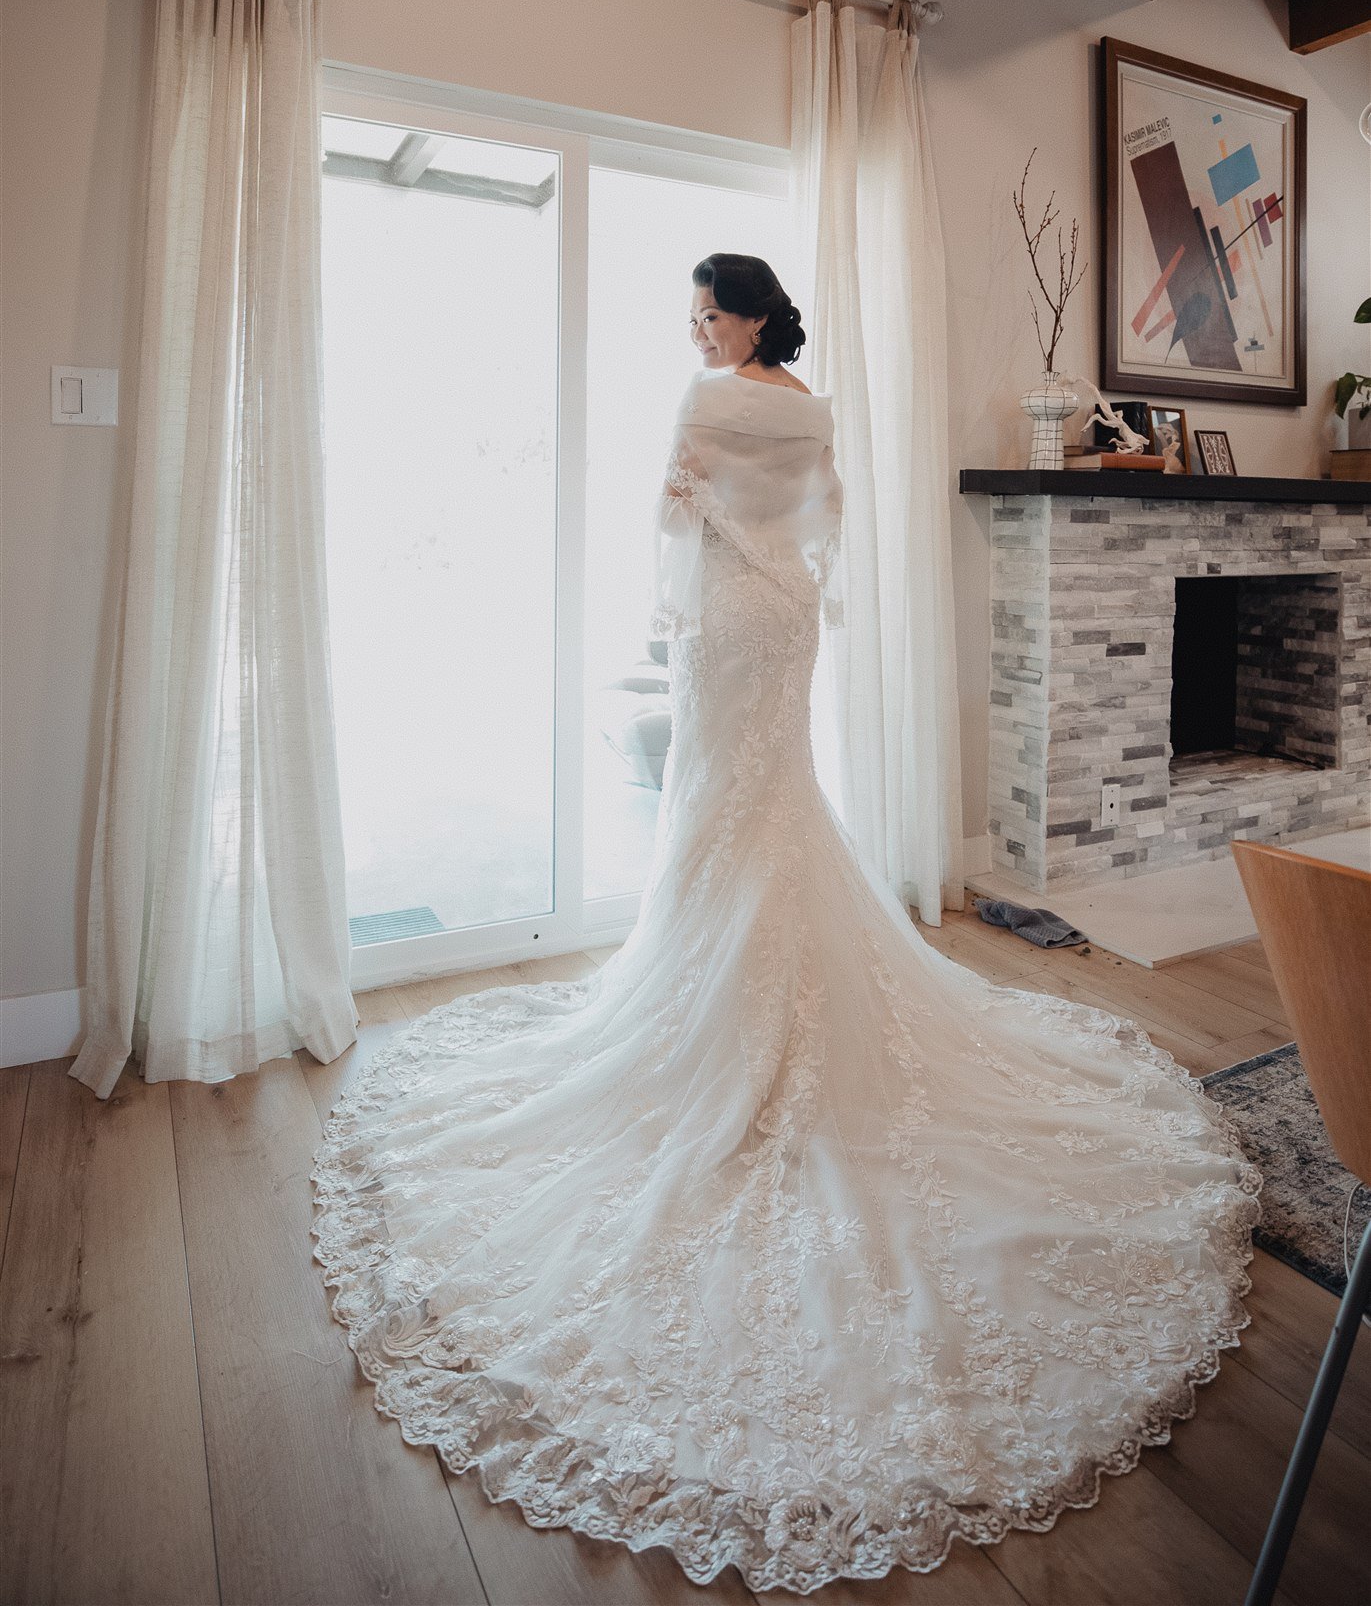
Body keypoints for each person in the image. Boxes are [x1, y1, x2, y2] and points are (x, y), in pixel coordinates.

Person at [311, 254, 1259, 1593]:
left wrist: (684, 536)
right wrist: (758, 553)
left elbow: (673, 518)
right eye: (697, 317)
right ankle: (753, 987)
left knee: (721, 810)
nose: (697, 330)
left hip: (723, 620)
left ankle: (722, 1014)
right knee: (772, 801)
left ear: (748, 315)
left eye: (708, 311)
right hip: (787, 618)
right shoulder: (809, 406)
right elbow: (823, 525)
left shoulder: (708, 400)